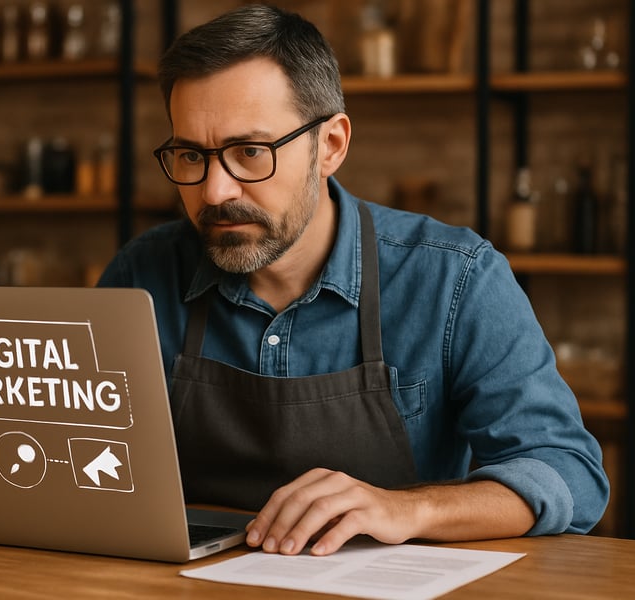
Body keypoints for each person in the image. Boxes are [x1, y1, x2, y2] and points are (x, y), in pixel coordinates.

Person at [97, 4, 608, 557]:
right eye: (191, 155)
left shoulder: (454, 278)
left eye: (250, 152)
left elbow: (569, 473)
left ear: (332, 146)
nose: (216, 191)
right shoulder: (139, 276)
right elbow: (84, 456)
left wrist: (409, 508)